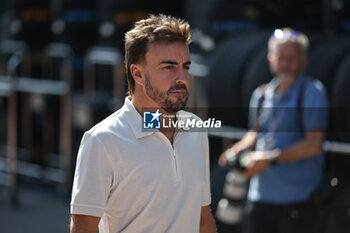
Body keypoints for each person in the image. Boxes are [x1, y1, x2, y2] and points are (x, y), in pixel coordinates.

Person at [70, 14, 216, 233]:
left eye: (185, 67)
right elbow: (83, 228)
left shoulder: (196, 129)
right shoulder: (102, 140)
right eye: (169, 67)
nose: (182, 78)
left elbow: (203, 218)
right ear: (137, 74)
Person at [219, 28, 328, 233]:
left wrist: (269, 158)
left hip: (297, 200)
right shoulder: (261, 94)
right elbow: (256, 132)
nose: (286, 64)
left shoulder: (312, 92)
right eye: (281, 57)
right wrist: (235, 151)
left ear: (304, 61)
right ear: (270, 60)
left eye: (292, 58)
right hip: (259, 198)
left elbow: (314, 145)